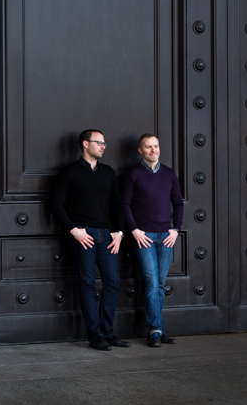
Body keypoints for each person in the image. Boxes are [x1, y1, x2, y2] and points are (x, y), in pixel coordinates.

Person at [52, 129, 129, 351]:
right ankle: (95, 335)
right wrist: (74, 230)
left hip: (106, 235)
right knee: (87, 282)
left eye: (105, 143)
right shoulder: (70, 172)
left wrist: (120, 232)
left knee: (113, 281)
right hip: (82, 235)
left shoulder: (108, 172)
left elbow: (117, 205)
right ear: (85, 144)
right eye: (99, 142)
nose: (104, 146)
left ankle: (108, 332)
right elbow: (56, 204)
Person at [121, 133, 184, 347]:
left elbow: (178, 203)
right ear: (140, 150)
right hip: (144, 237)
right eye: (148, 147)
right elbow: (125, 205)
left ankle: (156, 329)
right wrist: (135, 231)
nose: (153, 150)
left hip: (166, 236)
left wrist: (176, 229)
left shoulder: (169, 174)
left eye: (156, 146)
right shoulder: (133, 174)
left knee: (160, 285)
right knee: (151, 283)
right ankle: (155, 330)